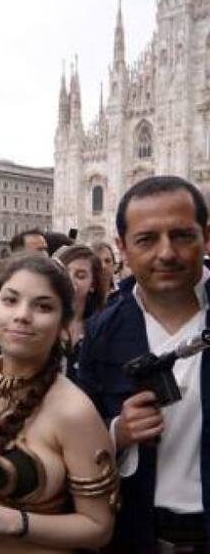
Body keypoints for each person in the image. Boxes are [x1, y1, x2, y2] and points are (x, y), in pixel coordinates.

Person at [0, 252, 116, 553]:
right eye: (10, 300)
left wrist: (9, 521)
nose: (22, 315)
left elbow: (99, 528)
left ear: (63, 326)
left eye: (43, 306)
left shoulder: (75, 412)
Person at [77, 176, 210, 552]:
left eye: (182, 236)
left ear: (206, 237)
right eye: (147, 239)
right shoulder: (102, 332)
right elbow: (77, 436)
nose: (166, 253)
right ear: (122, 247)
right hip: (138, 534)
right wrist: (118, 432)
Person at [53, 245, 107, 381]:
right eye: (64, 273)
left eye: (80, 276)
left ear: (93, 284)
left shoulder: (103, 328)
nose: (70, 280)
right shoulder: (42, 323)